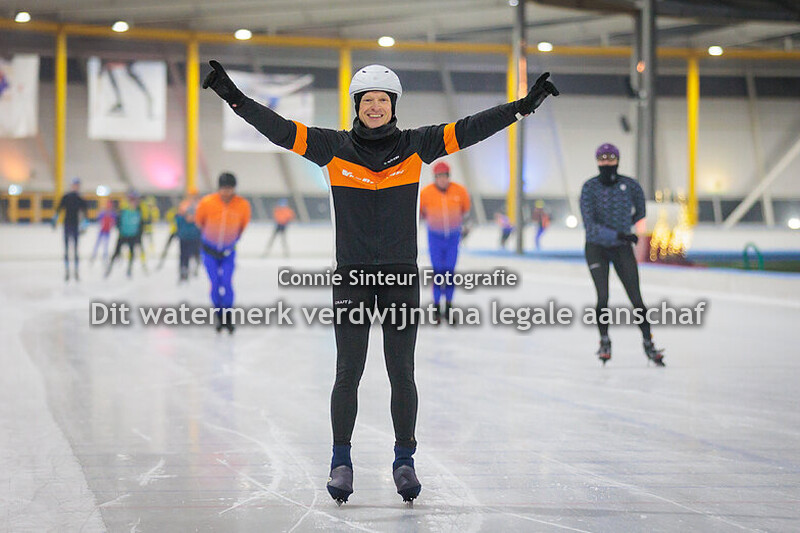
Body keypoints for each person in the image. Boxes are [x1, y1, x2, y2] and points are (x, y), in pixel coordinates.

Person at [203, 60, 558, 504]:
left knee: (401, 372)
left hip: (399, 278)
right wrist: (231, 94)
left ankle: (404, 461)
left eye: (382, 100)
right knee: (347, 372)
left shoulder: (416, 145)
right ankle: (341, 462)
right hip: (351, 276)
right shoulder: (331, 147)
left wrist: (521, 108)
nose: (374, 107)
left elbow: (469, 128)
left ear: (393, 106)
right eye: (367, 100)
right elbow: (276, 127)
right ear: (356, 105)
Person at [579, 143, 665, 366]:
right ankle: (605, 340)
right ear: (597, 161)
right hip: (596, 247)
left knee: (636, 298)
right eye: (602, 159)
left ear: (618, 160)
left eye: (611, 158)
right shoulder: (589, 188)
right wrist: (621, 233)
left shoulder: (630, 185)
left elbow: (641, 209)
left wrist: (631, 227)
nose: (607, 163)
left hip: (621, 248)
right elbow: (590, 226)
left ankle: (648, 342)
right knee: (603, 297)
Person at [194, 172, 251, 333]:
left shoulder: (242, 205)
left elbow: (243, 225)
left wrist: (231, 241)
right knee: (215, 283)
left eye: (230, 189)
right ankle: (219, 317)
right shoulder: (207, 202)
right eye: (224, 189)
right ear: (218, 188)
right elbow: (200, 222)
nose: (227, 192)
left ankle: (228, 317)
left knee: (227, 283)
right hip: (209, 252)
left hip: (228, 252)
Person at [419, 161, 471, 325]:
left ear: (448, 177)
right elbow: (419, 215)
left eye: (444, 176)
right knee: (438, 272)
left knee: (449, 272)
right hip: (435, 238)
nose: (442, 180)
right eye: (439, 177)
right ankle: (436, 309)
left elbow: (466, 212)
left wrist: (466, 229)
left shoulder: (459, 191)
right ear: (435, 178)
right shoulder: (426, 193)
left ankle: (448, 308)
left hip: (453, 238)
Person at [53, 177, 88, 281]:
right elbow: (59, 209)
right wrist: (55, 219)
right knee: (67, 250)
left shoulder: (80, 199)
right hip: (67, 225)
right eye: (74, 185)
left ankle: (76, 271)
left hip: (75, 226)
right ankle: (67, 271)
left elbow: (85, 213)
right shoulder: (66, 197)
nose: (75, 187)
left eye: (77, 185)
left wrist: (84, 224)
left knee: (76, 250)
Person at [105, 191, 145, 279]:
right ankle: (109, 270)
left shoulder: (138, 211)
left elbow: (141, 224)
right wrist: (120, 230)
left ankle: (129, 270)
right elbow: (117, 222)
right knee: (115, 253)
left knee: (132, 253)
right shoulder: (124, 210)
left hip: (132, 236)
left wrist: (138, 235)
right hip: (123, 235)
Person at [175, 191, 202, 282]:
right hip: (184, 239)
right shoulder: (182, 217)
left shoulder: (196, 221)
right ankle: (183, 270)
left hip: (194, 240)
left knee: (194, 255)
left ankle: (194, 268)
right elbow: (177, 221)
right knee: (183, 256)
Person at [90, 198, 118, 265]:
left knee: (106, 244)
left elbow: (114, 222)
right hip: (102, 230)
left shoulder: (112, 214)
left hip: (107, 231)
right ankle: (94, 255)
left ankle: (104, 256)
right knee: (97, 244)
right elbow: (98, 219)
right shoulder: (103, 212)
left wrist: (112, 225)